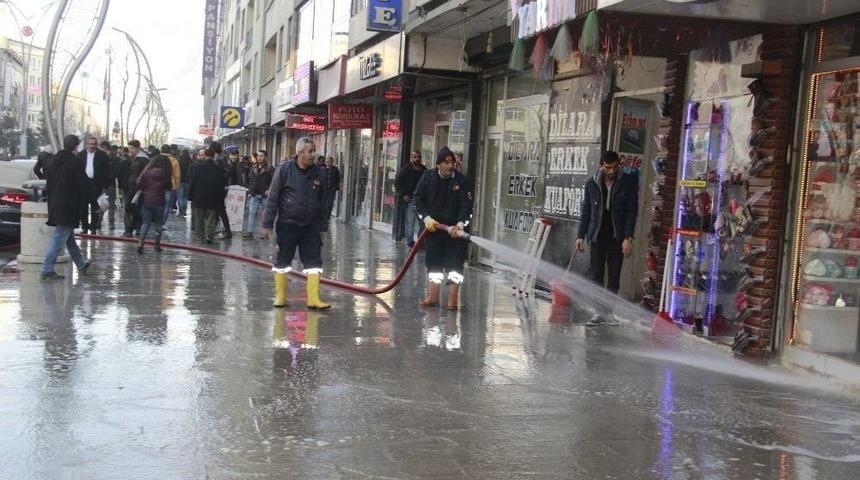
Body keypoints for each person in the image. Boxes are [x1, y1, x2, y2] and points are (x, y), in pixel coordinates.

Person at [263, 137, 331, 310]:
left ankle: (313, 299)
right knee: (283, 261)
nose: (313, 155)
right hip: (288, 224)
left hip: (311, 226)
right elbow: (273, 197)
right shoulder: (284, 170)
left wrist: (323, 225)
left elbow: (324, 202)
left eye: (314, 151)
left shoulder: (320, 173)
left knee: (314, 262)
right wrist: (268, 223)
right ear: (300, 152)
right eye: (310, 151)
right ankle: (280, 296)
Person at [575, 151, 639, 322]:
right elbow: (586, 211)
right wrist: (580, 235)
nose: (612, 171)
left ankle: (608, 312)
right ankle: (598, 311)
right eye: (608, 167)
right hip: (597, 235)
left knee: (614, 275)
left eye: (615, 167)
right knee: (596, 274)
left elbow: (631, 212)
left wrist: (628, 237)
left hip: (617, 236)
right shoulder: (591, 184)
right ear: (601, 166)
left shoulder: (628, 182)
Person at [414, 147, 473, 311]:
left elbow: (466, 206)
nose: (450, 165)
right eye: (446, 162)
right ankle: (433, 297)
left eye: (452, 162)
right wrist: (426, 218)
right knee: (434, 264)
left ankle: (452, 302)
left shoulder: (461, 181)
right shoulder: (428, 178)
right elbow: (418, 199)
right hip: (434, 230)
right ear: (438, 164)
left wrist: (460, 225)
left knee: (455, 266)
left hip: (455, 232)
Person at [40, 135, 93, 280]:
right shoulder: (75, 162)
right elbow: (83, 184)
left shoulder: (54, 160)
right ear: (76, 147)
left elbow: (48, 182)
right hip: (68, 205)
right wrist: (92, 200)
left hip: (55, 203)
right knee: (59, 237)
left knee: (68, 238)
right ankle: (47, 268)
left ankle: (81, 265)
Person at [136, 154, 172, 254]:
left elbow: (138, 184)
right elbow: (169, 186)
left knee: (146, 223)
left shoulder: (147, 172)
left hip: (146, 201)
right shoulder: (166, 174)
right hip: (159, 201)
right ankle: (157, 245)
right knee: (158, 224)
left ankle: (140, 244)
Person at [188, 148, 226, 244]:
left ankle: (200, 238)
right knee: (211, 219)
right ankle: (209, 236)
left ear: (205, 155)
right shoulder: (219, 170)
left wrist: (190, 196)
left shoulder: (197, 167)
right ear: (214, 156)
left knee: (198, 220)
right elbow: (221, 187)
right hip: (213, 199)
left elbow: (192, 183)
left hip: (198, 197)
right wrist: (221, 199)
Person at [395, 150, 427, 248]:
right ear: (411, 158)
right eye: (415, 157)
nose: (417, 159)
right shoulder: (406, 170)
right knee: (410, 222)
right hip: (411, 200)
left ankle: (420, 243)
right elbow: (397, 183)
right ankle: (410, 243)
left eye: (418, 157)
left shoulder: (424, 170)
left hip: (421, 201)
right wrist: (404, 194)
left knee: (423, 223)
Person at [78, 137, 110, 234]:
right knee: (83, 206)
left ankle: (93, 227)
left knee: (95, 206)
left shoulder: (102, 155)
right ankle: (84, 227)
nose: (92, 146)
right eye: (90, 144)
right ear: (87, 144)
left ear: (97, 145)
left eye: (94, 144)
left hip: (96, 184)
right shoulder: (81, 155)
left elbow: (106, 172)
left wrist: (105, 187)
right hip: (84, 183)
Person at [243, 153, 274, 239]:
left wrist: (269, 189)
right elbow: (251, 180)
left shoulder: (270, 168)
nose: (259, 158)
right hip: (254, 194)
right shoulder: (253, 167)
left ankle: (265, 233)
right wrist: (250, 191)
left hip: (265, 195)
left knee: (265, 215)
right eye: (258, 156)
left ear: (265, 157)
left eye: (262, 156)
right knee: (252, 213)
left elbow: (273, 180)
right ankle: (250, 232)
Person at [211, 142, 233, 239]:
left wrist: (220, 179)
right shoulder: (219, 158)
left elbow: (228, 171)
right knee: (218, 209)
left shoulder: (220, 159)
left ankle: (227, 232)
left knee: (220, 209)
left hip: (220, 188)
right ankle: (216, 229)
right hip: (220, 187)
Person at [99, 141, 119, 230]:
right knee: (108, 204)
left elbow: (114, 172)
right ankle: (110, 223)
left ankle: (99, 221)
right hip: (110, 185)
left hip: (107, 184)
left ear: (104, 148)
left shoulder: (110, 158)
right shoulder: (114, 158)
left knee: (105, 204)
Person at [161, 145, 181, 223]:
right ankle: (162, 222)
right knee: (166, 205)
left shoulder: (157, 159)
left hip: (158, 185)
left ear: (161, 150)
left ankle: (156, 221)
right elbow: (177, 176)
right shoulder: (174, 161)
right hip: (170, 186)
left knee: (157, 204)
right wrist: (177, 186)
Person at [176, 150, 192, 217]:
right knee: (185, 197)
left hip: (180, 180)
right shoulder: (191, 161)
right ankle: (184, 211)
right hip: (188, 181)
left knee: (180, 197)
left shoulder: (178, 161)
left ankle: (180, 211)